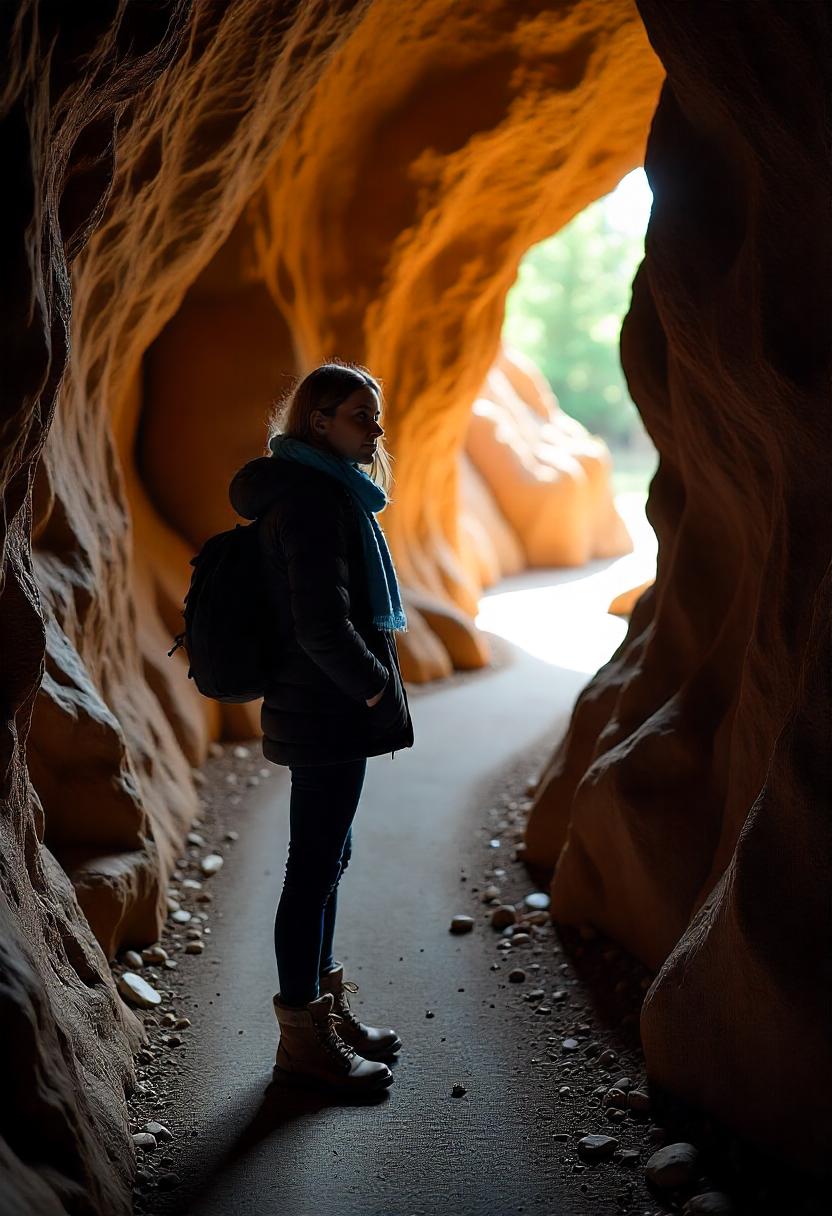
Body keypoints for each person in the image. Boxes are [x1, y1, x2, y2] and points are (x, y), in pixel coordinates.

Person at [228, 359, 415, 1094]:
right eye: (361, 416)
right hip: (328, 708)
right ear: (318, 422)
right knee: (312, 867)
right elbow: (320, 623)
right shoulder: (312, 501)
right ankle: (303, 1041)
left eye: (375, 414)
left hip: (324, 707)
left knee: (327, 857)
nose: (376, 429)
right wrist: (372, 691)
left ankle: (324, 1015)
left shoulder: (325, 491)